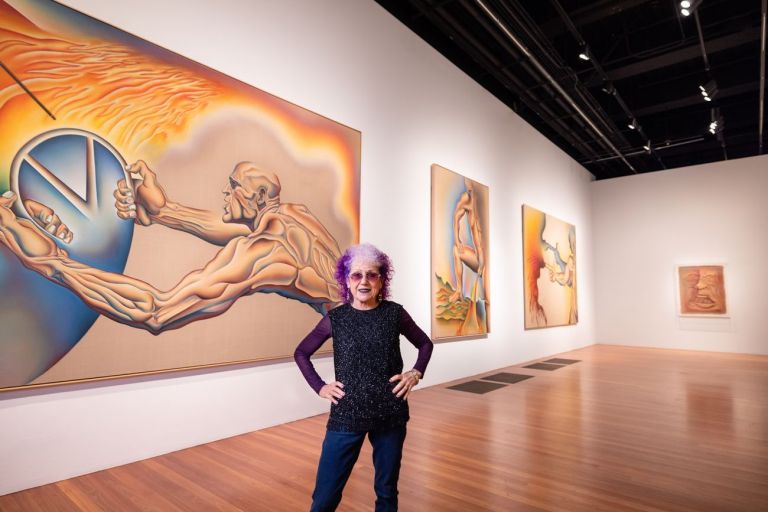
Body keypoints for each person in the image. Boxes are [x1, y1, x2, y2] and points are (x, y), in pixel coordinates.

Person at [0, 160, 342, 332]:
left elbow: (155, 311)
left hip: (353, 338)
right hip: (359, 324)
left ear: (259, 196)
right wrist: (163, 210)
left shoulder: (261, 255)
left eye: (233, 186)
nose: (225, 193)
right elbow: (231, 228)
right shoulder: (294, 216)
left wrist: (53, 264)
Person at [294, 243, 433, 512]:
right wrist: (320, 387)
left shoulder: (395, 314)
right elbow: (301, 352)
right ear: (347, 281)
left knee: (387, 492)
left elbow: (425, 344)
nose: (364, 281)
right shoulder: (336, 318)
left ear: (382, 280)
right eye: (357, 275)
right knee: (325, 495)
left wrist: (415, 374)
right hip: (346, 414)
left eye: (372, 274)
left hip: (390, 413)